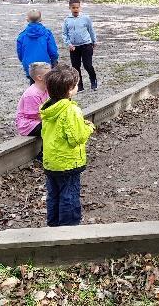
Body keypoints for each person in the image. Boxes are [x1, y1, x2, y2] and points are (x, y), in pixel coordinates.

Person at [40, 64, 95, 226]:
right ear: (70, 89)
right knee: (69, 196)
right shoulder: (70, 110)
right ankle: (69, 230)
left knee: (54, 195)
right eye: (76, 84)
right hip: (68, 162)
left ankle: (53, 226)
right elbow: (76, 138)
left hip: (51, 161)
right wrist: (88, 127)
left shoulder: (48, 108)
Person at [15, 62, 51, 161]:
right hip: (27, 124)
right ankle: (42, 155)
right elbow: (36, 115)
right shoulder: (32, 93)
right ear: (40, 77)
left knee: (55, 125)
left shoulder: (47, 89)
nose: (52, 76)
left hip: (39, 120)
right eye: (49, 74)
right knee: (51, 127)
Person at [62, 0, 98, 92]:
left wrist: (94, 41)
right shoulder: (67, 20)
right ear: (70, 8)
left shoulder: (85, 18)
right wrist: (69, 44)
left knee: (88, 65)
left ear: (80, 8)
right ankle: (79, 85)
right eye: (73, 7)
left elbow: (91, 30)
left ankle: (93, 80)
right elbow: (64, 34)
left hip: (86, 45)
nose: (75, 9)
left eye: (77, 7)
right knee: (75, 67)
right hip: (74, 47)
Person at [16, 9, 59, 84]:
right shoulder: (47, 33)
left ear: (27, 20)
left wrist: (23, 61)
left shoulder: (22, 36)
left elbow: (20, 52)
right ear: (41, 19)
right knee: (47, 85)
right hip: (44, 64)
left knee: (33, 84)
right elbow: (53, 51)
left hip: (29, 64)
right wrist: (54, 61)